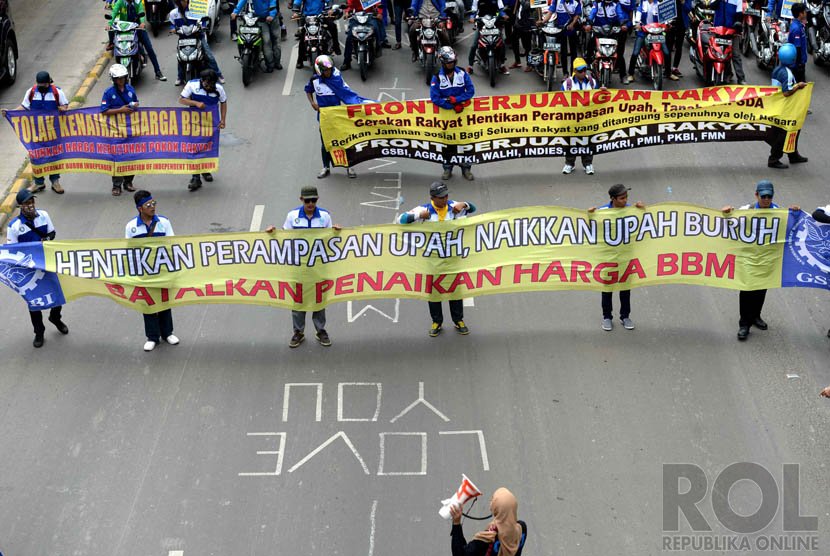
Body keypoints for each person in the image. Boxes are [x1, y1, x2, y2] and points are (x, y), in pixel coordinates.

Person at [721, 180, 799, 341]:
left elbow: (791, 228)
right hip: (749, 258)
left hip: (768, 259)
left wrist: (795, 214)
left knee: (761, 289)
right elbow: (731, 225)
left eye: (769, 196)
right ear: (756, 195)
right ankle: (744, 324)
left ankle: (756, 316)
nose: (766, 199)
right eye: (763, 196)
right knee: (747, 290)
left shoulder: (779, 212)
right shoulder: (746, 211)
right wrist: (727, 214)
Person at [265, 185, 340, 347]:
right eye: (307, 201)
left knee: (319, 299)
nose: (311, 203)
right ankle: (298, 332)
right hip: (298, 266)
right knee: (298, 300)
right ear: (301, 200)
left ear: (317, 200)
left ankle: (320, 330)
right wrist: (273, 232)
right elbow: (285, 237)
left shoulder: (325, 216)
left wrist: (336, 232)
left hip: (319, 265)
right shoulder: (292, 216)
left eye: (313, 200)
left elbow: (330, 239)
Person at [398, 181, 476, 336]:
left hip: (453, 257)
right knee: (434, 291)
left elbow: (473, 208)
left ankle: (458, 320)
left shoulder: (454, 207)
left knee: (455, 289)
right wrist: (419, 216)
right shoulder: (424, 210)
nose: (445, 199)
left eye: (446, 195)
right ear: (433, 197)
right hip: (432, 259)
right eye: (441, 197)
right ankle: (437, 321)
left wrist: (465, 205)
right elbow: (402, 219)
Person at [5, 189, 69, 348]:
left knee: (56, 293)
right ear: (20, 206)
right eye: (26, 203)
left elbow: (52, 233)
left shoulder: (44, 215)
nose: (30, 205)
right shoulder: (14, 226)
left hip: (47, 263)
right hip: (28, 269)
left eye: (32, 202)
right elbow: (11, 250)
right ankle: (39, 332)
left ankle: (55, 317)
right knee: (34, 301)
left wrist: (45, 240)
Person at [126, 190, 180, 352]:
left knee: (164, 301)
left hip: (162, 269)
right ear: (140, 208)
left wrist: (174, 267)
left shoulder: (164, 222)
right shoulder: (131, 227)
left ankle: (167, 333)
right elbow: (130, 251)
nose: (152, 207)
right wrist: (133, 272)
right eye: (148, 205)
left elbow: (172, 244)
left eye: (154, 203)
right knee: (148, 303)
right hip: (144, 272)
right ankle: (152, 337)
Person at [0, 72, 69, 194]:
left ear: (49, 83)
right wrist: (11, 112)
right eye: (39, 84)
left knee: (54, 156)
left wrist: (63, 109)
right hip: (35, 132)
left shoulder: (57, 92)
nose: (41, 86)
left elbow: (65, 106)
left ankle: (55, 182)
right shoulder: (31, 92)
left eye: (43, 84)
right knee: (36, 156)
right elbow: (24, 107)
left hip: (53, 132)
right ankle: (38, 183)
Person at [588, 184, 645, 331]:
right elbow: (589, 229)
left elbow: (646, 223)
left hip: (626, 257)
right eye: (622, 198)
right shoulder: (602, 212)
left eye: (626, 197)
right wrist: (590, 215)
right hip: (608, 259)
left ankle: (625, 316)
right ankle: (607, 317)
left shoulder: (631, 210)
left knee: (625, 289)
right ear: (612, 199)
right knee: (607, 289)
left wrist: (642, 210)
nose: (625, 200)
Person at [305, 55, 372, 179]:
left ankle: (349, 167)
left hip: (338, 116)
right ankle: (326, 167)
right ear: (319, 70)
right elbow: (308, 90)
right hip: (324, 117)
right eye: (325, 70)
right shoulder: (314, 80)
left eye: (329, 69)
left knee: (345, 141)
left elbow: (347, 94)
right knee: (325, 144)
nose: (328, 72)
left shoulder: (336, 78)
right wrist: (313, 103)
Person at [178, 69, 228, 191]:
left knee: (207, 147)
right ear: (202, 81)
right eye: (206, 84)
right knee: (195, 148)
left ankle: (205, 170)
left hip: (210, 123)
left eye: (211, 85)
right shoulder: (192, 85)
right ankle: (195, 177)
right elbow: (182, 99)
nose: (208, 87)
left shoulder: (218, 89)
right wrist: (195, 103)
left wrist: (223, 120)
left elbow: (223, 102)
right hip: (194, 123)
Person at [431, 47, 476, 181]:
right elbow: (435, 98)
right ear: (443, 63)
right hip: (446, 116)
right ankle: (447, 168)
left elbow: (470, 91)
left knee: (466, 142)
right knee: (448, 144)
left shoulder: (462, 73)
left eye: (452, 62)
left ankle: (466, 168)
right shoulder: (436, 76)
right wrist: (450, 106)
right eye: (448, 63)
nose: (451, 65)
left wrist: (458, 101)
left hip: (463, 114)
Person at [448, 488, 528, 556]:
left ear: (496, 508)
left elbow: (460, 554)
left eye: (493, 500)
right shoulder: (522, 529)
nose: (491, 502)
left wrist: (456, 523)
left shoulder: (487, 539)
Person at [766, 43, 809, 169]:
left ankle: (793, 154)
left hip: (780, 105)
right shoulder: (787, 74)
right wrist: (798, 86)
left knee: (794, 129)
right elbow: (786, 92)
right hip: (786, 107)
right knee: (783, 133)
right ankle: (773, 159)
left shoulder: (777, 69)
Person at [101, 64, 140, 197]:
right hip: (115, 131)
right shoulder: (108, 93)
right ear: (113, 79)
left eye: (123, 77)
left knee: (131, 156)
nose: (121, 80)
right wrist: (120, 110)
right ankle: (116, 185)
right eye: (118, 78)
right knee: (117, 158)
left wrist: (134, 105)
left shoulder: (130, 89)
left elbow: (136, 102)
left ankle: (128, 182)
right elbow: (104, 111)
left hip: (130, 129)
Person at [168, 0, 226, 85]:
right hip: (183, 38)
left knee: (209, 55)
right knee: (180, 57)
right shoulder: (174, 13)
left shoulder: (195, 10)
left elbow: (203, 21)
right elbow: (171, 24)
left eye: (185, 0)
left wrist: (202, 26)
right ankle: (180, 77)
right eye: (182, 1)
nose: (184, 2)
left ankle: (218, 74)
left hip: (198, 36)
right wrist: (173, 29)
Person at [110, 0, 168, 80]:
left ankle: (157, 72)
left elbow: (141, 13)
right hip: (124, 30)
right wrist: (109, 24)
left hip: (137, 28)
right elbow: (114, 13)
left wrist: (142, 23)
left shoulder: (138, 2)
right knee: (117, 46)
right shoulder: (120, 2)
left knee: (149, 48)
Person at [626, 0, 676, 83]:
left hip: (657, 32)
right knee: (635, 52)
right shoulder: (641, 5)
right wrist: (637, 24)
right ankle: (631, 74)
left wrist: (667, 24)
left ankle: (668, 73)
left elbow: (664, 18)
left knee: (667, 52)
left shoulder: (659, 5)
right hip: (643, 32)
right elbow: (638, 16)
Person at [561, 58, 597, 175]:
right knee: (571, 142)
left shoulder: (593, 82)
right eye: (581, 71)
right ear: (575, 71)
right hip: (572, 119)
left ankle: (588, 164)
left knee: (588, 142)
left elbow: (598, 98)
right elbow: (560, 101)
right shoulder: (567, 84)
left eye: (585, 70)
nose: (583, 73)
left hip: (588, 119)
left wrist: (603, 92)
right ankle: (569, 164)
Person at [585, 0, 629, 84]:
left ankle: (623, 75)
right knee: (590, 43)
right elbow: (592, 14)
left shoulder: (617, 5)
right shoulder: (597, 4)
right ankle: (588, 62)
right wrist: (589, 23)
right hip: (599, 31)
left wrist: (623, 24)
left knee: (619, 52)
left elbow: (620, 15)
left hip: (612, 32)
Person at [232, 0, 282, 72]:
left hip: (273, 18)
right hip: (261, 19)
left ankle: (277, 62)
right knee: (266, 41)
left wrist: (271, 14)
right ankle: (270, 64)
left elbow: (273, 2)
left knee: (276, 40)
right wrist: (235, 12)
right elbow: (242, 1)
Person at [293, 0, 341, 68]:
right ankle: (300, 60)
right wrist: (296, 11)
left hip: (320, 16)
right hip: (307, 17)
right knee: (302, 37)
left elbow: (329, 1)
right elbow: (297, 2)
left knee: (332, 26)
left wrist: (329, 9)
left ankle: (336, 47)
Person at [467, 0, 509, 75]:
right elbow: (474, 10)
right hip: (482, 24)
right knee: (474, 45)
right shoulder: (476, 0)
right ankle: (470, 66)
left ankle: (502, 65)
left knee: (501, 44)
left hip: (494, 23)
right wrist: (472, 17)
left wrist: (503, 15)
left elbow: (501, 10)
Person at [540, 0, 582, 75]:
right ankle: (565, 73)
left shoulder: (576, 2)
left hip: (571, 30)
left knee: (574, 53)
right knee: (563, 53)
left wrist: (572, 24)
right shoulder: (556, 1)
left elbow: (577, 15)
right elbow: (550, 12)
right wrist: (543, 21)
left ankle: (573, 73)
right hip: (560, 30)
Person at [341, 0, 383, 71]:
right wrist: (347, 12)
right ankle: (347, 61)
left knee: (376, 28)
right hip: (357, 16)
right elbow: (349, 5)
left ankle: (378, 47)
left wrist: (379, 13)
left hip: (370, 16)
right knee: (349, 37)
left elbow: (377, 4)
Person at [712, 0, 744, 84]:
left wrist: (738, 24)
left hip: (732, 31)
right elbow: (712, 6)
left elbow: (739, 14)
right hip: (718, 30)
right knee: (719, 53)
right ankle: (726, 74)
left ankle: (741, 79)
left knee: (735, 55)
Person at [788, 3, 808, 83]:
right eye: (804, 11)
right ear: (800, 14)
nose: (806, 13)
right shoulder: (796, 28)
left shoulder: (799, 25)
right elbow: (797, 48)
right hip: (797, 65)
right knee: (799, 86)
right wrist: (800, 65)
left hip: (799, 63)